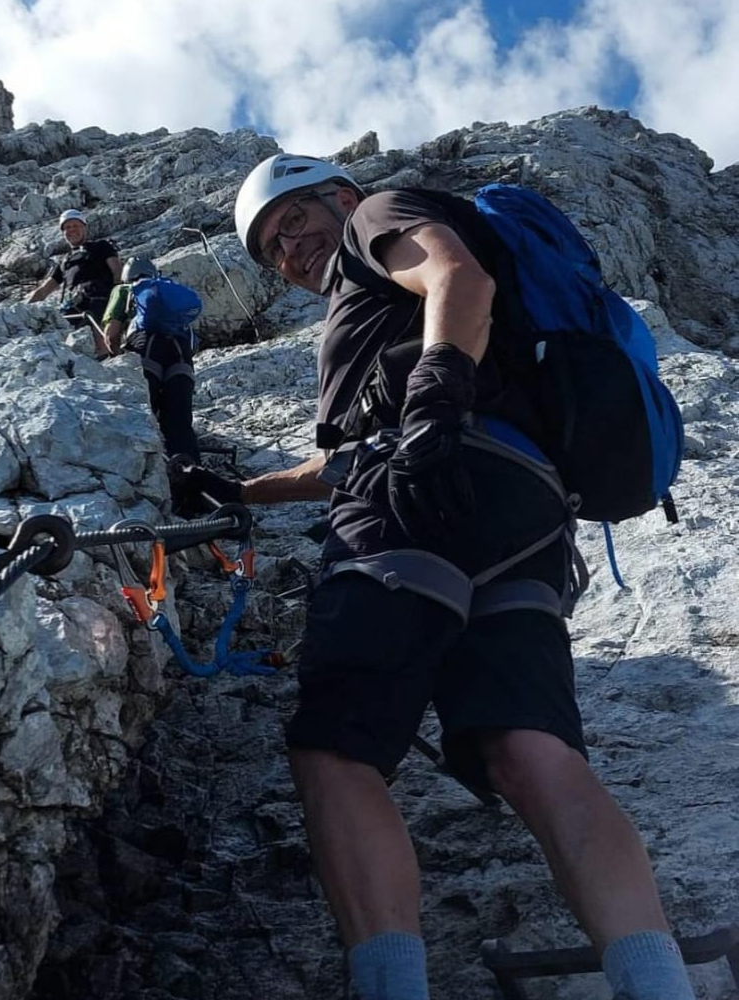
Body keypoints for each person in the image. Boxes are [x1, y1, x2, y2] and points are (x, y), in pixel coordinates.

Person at [170, 153, 695, 1000]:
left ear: (337, 197)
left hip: (418, 493)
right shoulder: (376, 303)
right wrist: (244, 490)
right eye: (271, 249)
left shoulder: (376, 216)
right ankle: (658, 983)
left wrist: (436, 400)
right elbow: (350, 450)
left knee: (337, 747)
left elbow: (458, 276)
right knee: (533, 750)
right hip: (524, 514)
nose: (290, 251)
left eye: (294, 222)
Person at [102, 256, 201, 462]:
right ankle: (192, 476)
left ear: (126, 277)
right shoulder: (168, 292)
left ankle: (147, 470)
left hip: (146, 346)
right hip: (180, 351)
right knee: (179, 420)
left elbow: (111, 335)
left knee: (143, 413)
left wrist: (116, 356)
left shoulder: (124, 290)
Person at [26, 208, 121, 358]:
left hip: (100, 298)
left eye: (75, 226)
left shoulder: (101, 247)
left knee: (97, 311)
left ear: (84, 227)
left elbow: (117, 270)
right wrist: (25, 310)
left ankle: (107, 356)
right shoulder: (65, 261)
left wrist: (117, 297)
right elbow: (44, 290)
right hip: (74, 305)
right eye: (67, 227)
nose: (72, 230)